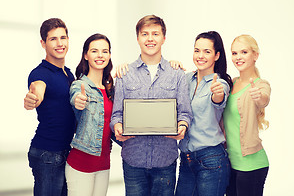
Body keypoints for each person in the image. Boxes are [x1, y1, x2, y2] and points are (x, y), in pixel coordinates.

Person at [110, 15, 193, 196]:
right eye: (144, 34)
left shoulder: (176, 74)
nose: (150, 39)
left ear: (164, 38)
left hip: (165, 160)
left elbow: (185, 112)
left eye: (155, 34)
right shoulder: (125, 74)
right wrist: (117, 127)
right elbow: (116, 114)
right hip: (133, 160)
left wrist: (182, 126)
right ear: (138, 38)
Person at [173, 31, 232, 196]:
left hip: (212, 159)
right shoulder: (185, 79)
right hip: (186, 159)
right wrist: (172, 65)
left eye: (207, 52)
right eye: (197, 50)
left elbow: (219, 99)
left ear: (217, 55)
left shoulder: (220, 84)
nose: (200, 55)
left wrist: (217, 94)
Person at [23, 18, 76, 196]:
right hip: (48, 153)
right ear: (43, 43)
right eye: (53, 39)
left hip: (64, 151)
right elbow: (38, 90)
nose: (60, 43)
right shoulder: (40, 73)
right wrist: (33, 99)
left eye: (63, 37)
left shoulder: (68, 73)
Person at [65, 34, 114, 196]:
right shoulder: (80, 85)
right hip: (81, 164)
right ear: (86, 55)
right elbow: (76, 97)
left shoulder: (110, 90)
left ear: (109, 55)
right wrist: (78, 101)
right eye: (94, 51)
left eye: (104, 51)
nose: (100, 55)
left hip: (103, 165)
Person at [223, 35, 271, 196]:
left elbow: (264, 99)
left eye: (244, 52)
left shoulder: (260, 85)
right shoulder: (232, 83)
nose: (238, 57)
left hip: (252, 165)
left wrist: (260, 97)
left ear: (255, 55)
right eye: (234, 53)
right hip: (231, 163)